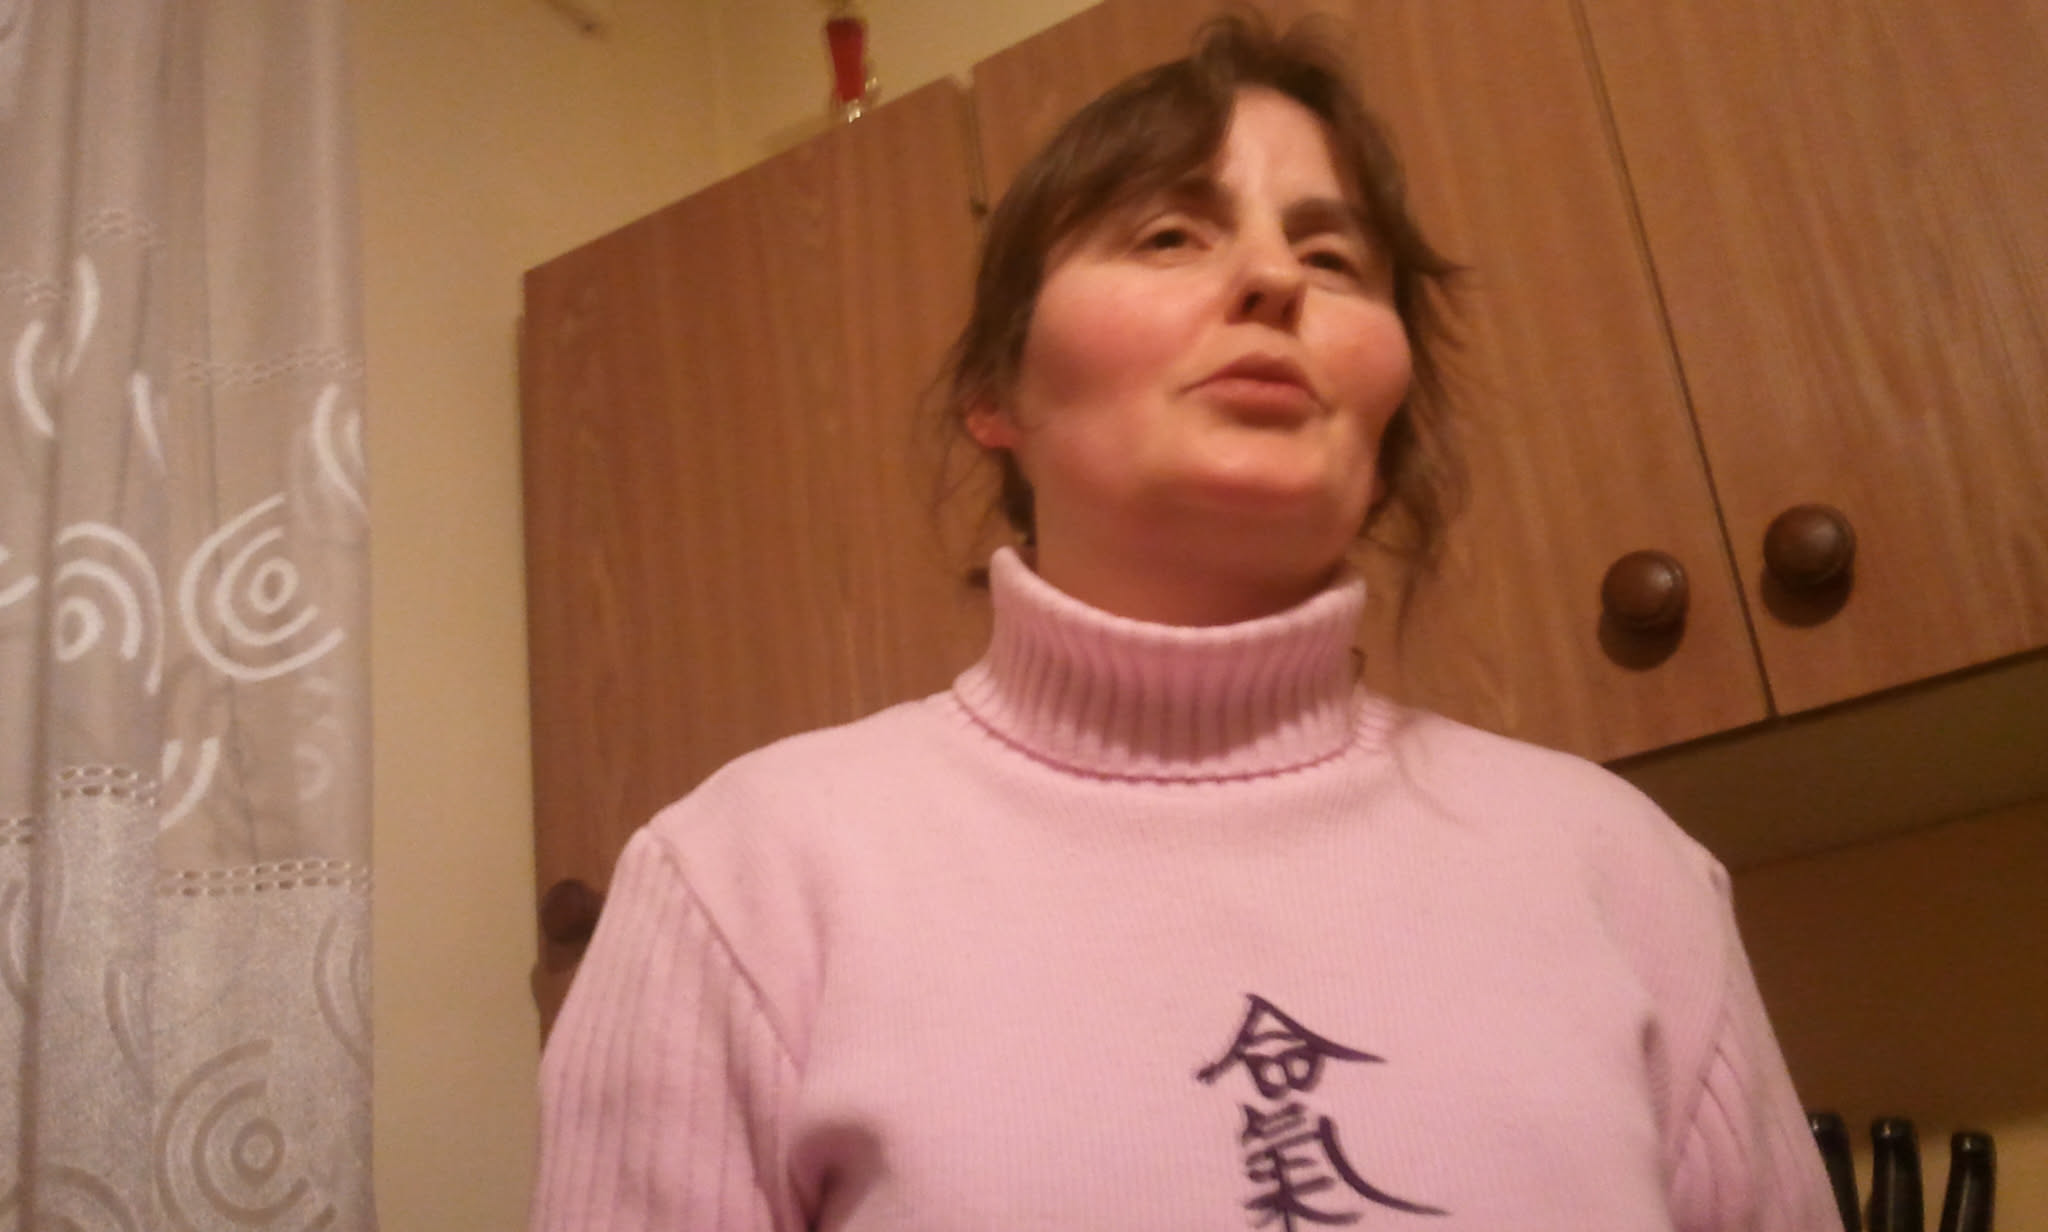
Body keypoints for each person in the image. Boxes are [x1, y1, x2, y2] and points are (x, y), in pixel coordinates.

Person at [531, 16, 1834, 1231]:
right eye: (1167, 237)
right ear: (996, 391)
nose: (1273, 278)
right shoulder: (742, 881)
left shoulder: (1626, 873)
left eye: (1333, 259)